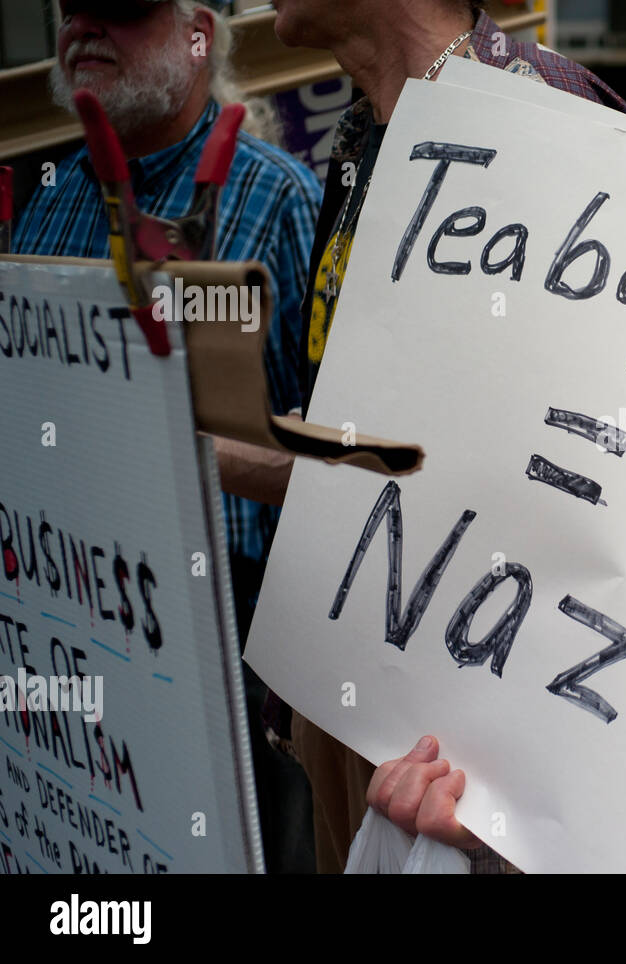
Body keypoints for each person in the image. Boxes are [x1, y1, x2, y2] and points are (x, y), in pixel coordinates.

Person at [267, 0, 626, 874]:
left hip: (481, 753)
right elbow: (380, 449)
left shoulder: (546, 109)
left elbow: (619, 468)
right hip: (365, 694)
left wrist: (527, 780)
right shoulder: (361, 134)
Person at [14, 0, 324, 871]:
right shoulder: (51, 199)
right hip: (73, 614)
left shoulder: (277, 198)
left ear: (199, 35)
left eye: (119, 9)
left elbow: (335, 457)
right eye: (71, 10)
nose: (84, 28)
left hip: (230, 646)